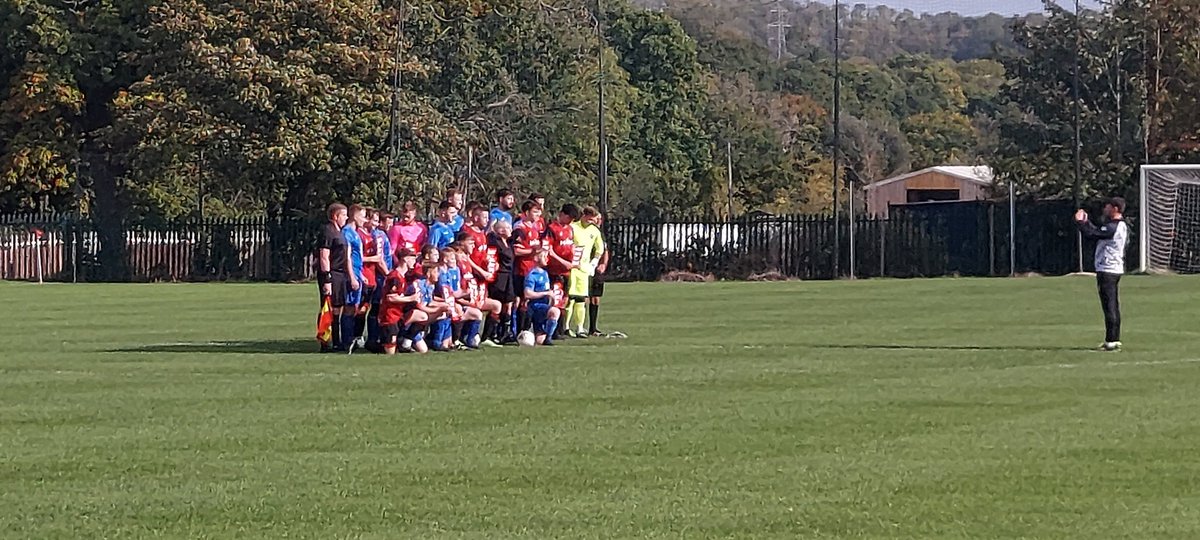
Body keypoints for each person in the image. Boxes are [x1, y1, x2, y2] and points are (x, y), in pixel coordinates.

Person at [1075, 197, 1130, 351]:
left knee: (1109, 304)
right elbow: (1097, 231)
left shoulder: (1113, 226)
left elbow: (1092, 234)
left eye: (1108, 206)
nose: (1105, 208)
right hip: (1113, 268)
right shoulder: (1119, 225)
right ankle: (1114, 338)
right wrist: (1086, 222)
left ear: (1115, 208)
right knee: (1113, 304)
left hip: (1108, 269)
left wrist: (1080, 222)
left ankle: (1111, 340)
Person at [566, 206, 605, 338]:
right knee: (570, 298)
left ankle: (579, 327)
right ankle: (566, 327)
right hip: (572, 267)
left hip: (584, 269)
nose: (592, 223)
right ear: (583, 216)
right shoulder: (572, 227)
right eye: (590, 220)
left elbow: (600, 249)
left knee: (581, 299)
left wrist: (594, 263)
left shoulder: (594, 230)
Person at [318, 203, 350, 352]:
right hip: (332, 274)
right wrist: (327, 278)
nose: (346, 218)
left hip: (341, 274)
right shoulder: (328, 231)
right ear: (336, 216)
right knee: (328, 307)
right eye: (344, 215)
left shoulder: (340, 232)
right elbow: (324, 256)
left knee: (337, 307)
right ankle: (325, 342)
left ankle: (337, 341)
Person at [546, 204, 581, 338]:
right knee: (556, 299)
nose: (570, 221)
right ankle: (552, 331)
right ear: (562, 214)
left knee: (565, 300)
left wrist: (575, 258)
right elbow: (549, 251)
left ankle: (560, 329)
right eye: (569, 218)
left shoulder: (570, 229)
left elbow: (570, 246)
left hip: (567, 272)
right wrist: (563, 262)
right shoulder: (552, 229)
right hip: (555, 271)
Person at [512, 200, 545, 334]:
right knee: (521, 301)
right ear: (526, 212)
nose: (538, 215)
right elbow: (516, 250)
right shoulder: (520, 228)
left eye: (539, 212)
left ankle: (527, 329)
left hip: (532, 270)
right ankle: (518, 330)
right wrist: (532, 251)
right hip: (522, 270)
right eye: (535, 212)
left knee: (529, 301)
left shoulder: (535, 227)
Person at [378, 248, 419, 355]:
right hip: (389, 315)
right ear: (405, 259)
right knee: (390, 349)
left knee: (422, 317)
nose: (414, 262)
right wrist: (411, 298)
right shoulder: (395, 277)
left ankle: (405, 341)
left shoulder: (403, 276)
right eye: (413, 258)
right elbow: (390, 297)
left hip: (398, 314)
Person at [340, 204, 368, 352]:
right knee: (349, 307)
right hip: (352, 274)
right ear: (355, 216)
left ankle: (350, 339)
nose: (365, 219)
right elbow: (348, 257)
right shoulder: (347, 233)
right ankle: (347, 340)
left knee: (354, 307)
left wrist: (361, 275)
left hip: (357, 272)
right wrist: (352, 277)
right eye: (363, 216)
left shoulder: (355, 232)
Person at [487, 219, 517, 344]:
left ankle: (504, 333)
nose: (511, 230)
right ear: (501, 230)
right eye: (508, 228)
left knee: (508, 304)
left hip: (509, 275)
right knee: (497, 303)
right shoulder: (495, 242)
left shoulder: (508, 243)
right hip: (499, 276)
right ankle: (490, 334)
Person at [523, 249, 562, 346]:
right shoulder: (532, 275)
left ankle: (544, 336)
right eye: (544, 256)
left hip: (544, 307)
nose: (546, 259)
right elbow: (527, 294)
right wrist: (545, 293)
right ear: (536, 258)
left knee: (539, 341)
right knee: (555, 311)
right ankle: (548, 338)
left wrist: (552, 299)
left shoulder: (545, 273)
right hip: (536, 306)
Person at [588, 212, 611, 337]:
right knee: (582, 298)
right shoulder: (584, 231)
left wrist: (603, 264)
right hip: (585, 267)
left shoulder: (600, 233)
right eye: (596, 218)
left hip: (596, 269)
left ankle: (593, 328)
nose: (598, 221)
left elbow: (605, 250)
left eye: (600, 219)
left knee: (596, 297)